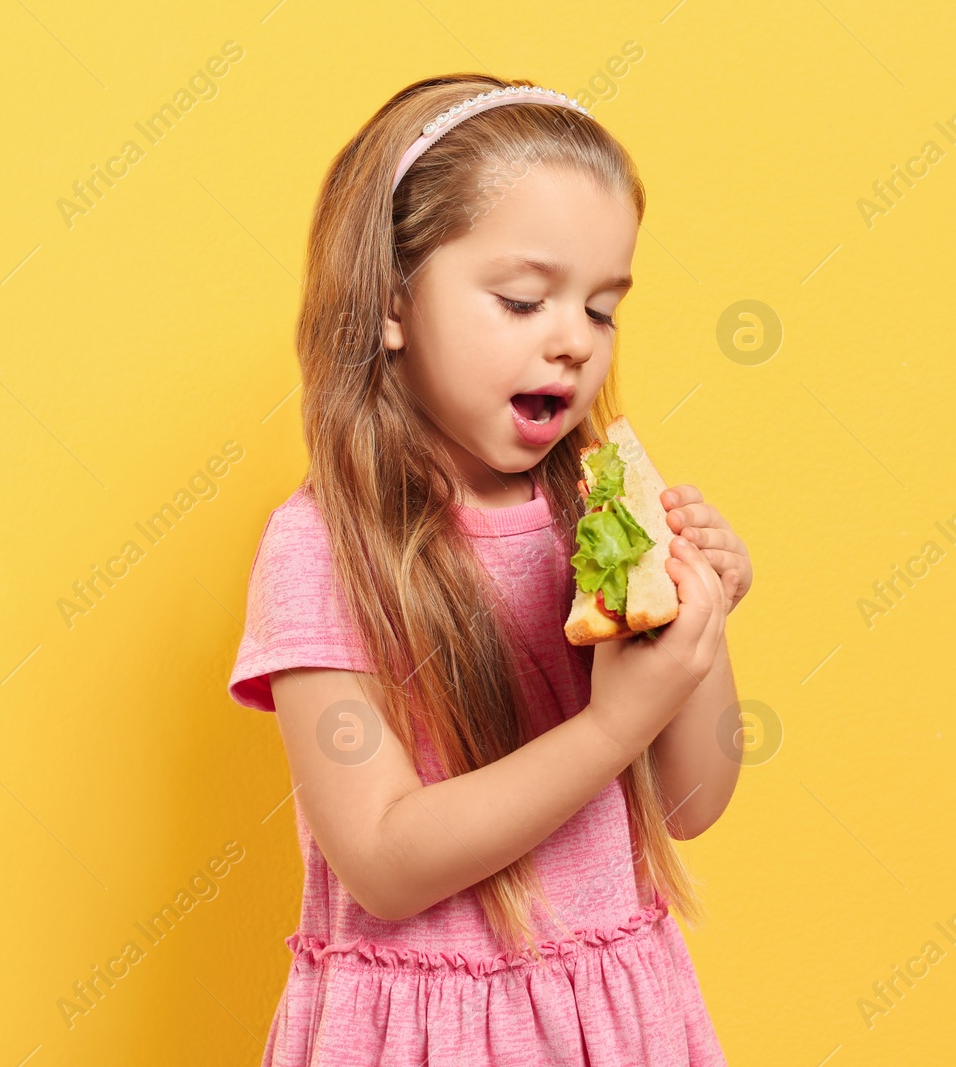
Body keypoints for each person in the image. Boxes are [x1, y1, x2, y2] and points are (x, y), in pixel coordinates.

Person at [227, 74, 755, 1066]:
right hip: (427, 1037)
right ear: (389, 301)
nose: (570, 340)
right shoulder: (322, 550)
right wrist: (614, 720)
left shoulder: (591, 520)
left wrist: (701, 634)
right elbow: (383, 859)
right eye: (522, 299)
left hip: (617, 1017)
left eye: (602, 310)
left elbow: (692, 802)